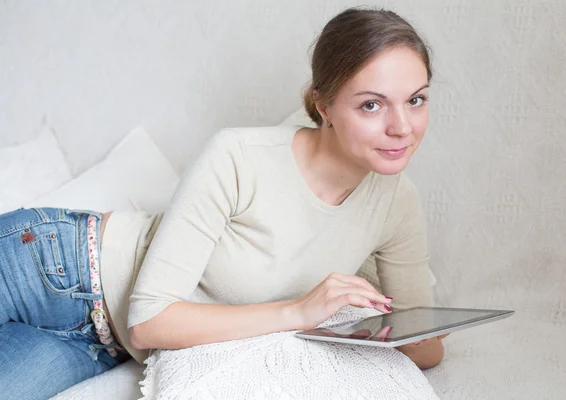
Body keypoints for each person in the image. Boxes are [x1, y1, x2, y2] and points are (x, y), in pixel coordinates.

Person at [0, 7, 446, 399]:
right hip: (51, 263)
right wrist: (298, 313)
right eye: (372, 105)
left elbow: (425, 348)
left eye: (416, 100)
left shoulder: (396, 202)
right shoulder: (239, 157)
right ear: (324, 105)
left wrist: (388, 327)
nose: (402, 127)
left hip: (100, 344)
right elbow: (150, 321)